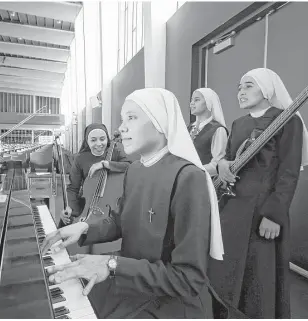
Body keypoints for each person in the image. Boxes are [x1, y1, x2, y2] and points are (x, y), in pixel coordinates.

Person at [41, 88, 224, 318]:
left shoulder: (188, 177)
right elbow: (121, 220)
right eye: (122, 119)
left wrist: (111, 264)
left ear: (160, 122)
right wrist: (85, 227)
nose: (121, 128)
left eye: (132, 117)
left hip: (170, 302)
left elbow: (188, 279)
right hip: (131, 282)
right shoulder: (135, 169)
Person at [208, 68, 308, 318]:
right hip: (231, 209)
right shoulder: (238, 123)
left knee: (258, 277)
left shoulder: (288, 120)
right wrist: (223, 165)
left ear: (267, 89)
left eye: (248, 86)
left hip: (263, 212)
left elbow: (289, 173)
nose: (241, 92)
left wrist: (274, 215)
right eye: (239, 87)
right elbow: (227, 157)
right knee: (223, 271)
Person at [59, 123, 131, 227]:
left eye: (102, 139)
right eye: (93, 140)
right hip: (88, 203)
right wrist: (70, 207)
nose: (99, 144)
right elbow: (73, 188)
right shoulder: (80, 159)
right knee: (65, 226)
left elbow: (129, 165)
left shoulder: (115, 152)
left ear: (107, 139)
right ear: (87, 142)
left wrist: (105, 164)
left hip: (112, 204)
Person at [188, 88, 228, 176]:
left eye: (197, 100)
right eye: (191, 100)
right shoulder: (189, 128)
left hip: (205, 182)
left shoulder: (217, 130)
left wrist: (193, 171)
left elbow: (217, 164)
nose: (192, 103)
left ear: (208, 103)